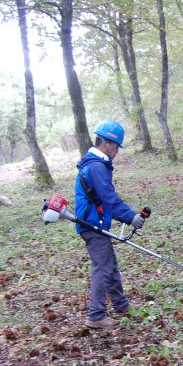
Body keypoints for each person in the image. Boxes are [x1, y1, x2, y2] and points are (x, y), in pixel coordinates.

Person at [74, 120, 147, 330]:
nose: (117, 152)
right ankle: (96, 315)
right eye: (116, 147)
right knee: (103, 267)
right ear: (107, 143)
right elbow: (109, 199)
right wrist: (130, 217)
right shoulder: (96, 167)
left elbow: (106, 199)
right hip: (91, 224)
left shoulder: (96, 164)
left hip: (95, 222)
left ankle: (121, 306)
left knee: (110, 265)